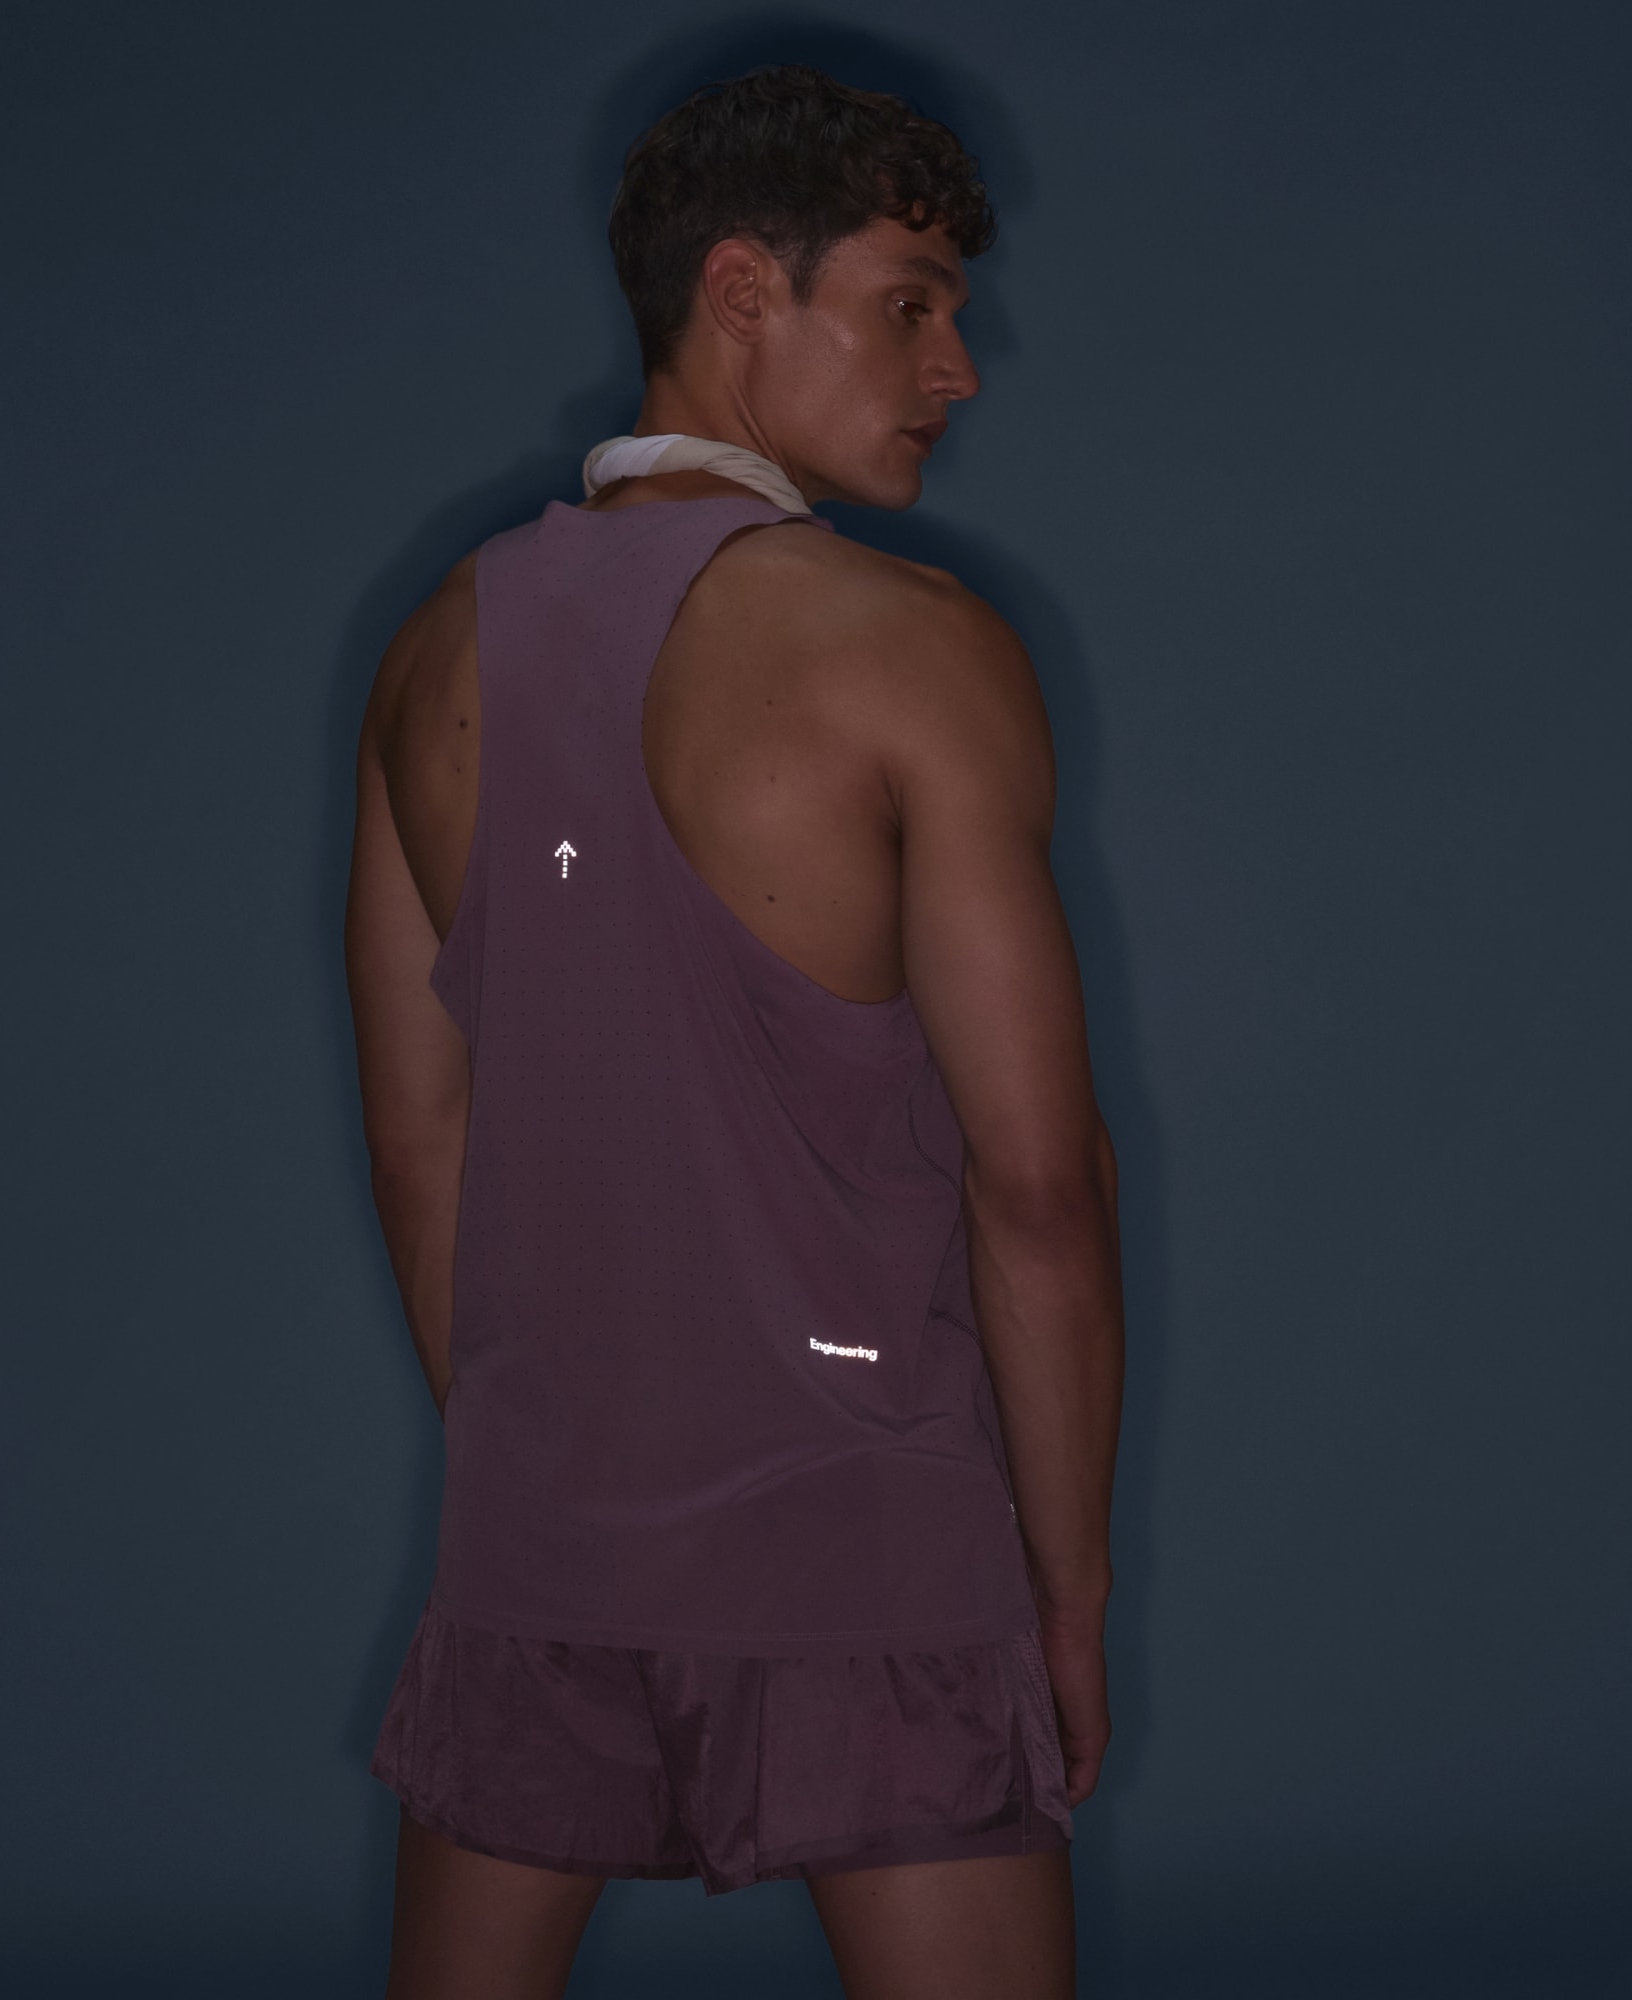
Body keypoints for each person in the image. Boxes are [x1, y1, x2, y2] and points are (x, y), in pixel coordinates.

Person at [344, 62, 1125, 2000]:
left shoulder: (432, 655)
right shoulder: (913, 651)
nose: (956, 369)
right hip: (877, 1547)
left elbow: (425, 1142)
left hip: (544, 1554)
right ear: (741, 294)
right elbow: (1037, 1187)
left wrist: (560, 1485)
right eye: (909, 304)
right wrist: (1065, 1587)